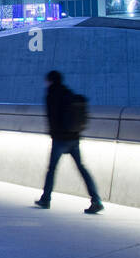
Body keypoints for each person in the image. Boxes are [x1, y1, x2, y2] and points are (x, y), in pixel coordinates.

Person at [35, 71, 102, 214]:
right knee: (82, 168)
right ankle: (96, 200)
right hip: (74, 138)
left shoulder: (51, 95)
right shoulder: (68, 93)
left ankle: (46, 199)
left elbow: (52, 118)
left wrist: (53, 133)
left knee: (52, 170)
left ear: (50, 81)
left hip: (59, 139)